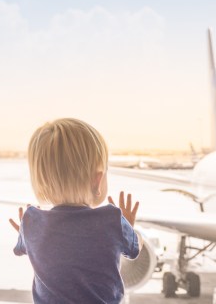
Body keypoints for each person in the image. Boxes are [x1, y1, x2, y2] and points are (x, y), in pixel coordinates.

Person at [9, 118, 142, 304]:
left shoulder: (31, 221)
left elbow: (21, 249)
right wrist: (129, 227)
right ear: (98, 180)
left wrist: (29, 232)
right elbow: (134, 250)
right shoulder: (112, 220)